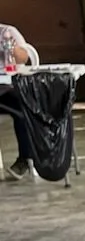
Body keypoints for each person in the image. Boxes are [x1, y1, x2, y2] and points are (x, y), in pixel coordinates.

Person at [0, 21, 41, 178]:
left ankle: (26, 158)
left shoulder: (7, 31)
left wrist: (13, 49)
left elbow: (24, 58)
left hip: (6, 89)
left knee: (22, 105)